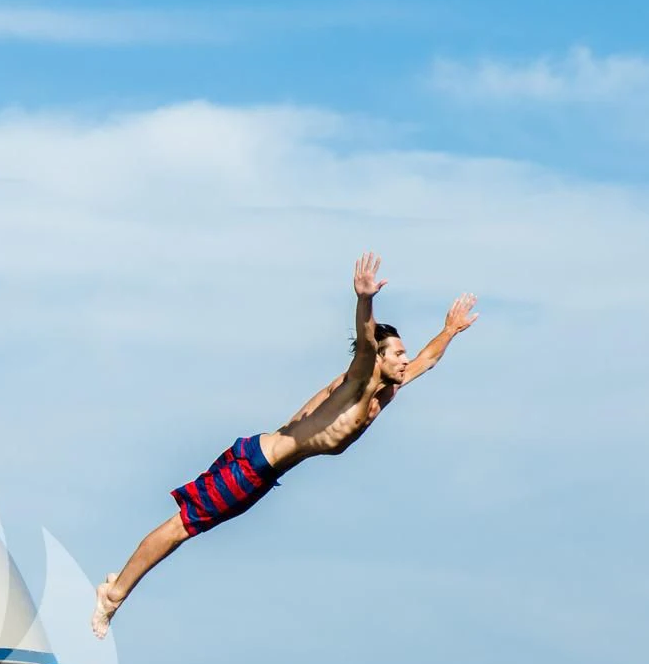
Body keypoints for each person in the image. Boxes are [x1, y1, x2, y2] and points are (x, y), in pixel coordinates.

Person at [92, 253, 478, 637]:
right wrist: (364, 299)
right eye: (397, 353)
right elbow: (364, 341)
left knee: (191, 529)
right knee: (181, 528)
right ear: (377, 359)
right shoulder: (358, 382)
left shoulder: (385, 391)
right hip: (254, 465)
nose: (405, 360)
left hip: (264, 471)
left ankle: (120, 581)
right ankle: (113, 594)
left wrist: (451, 329)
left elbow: (427, 360)